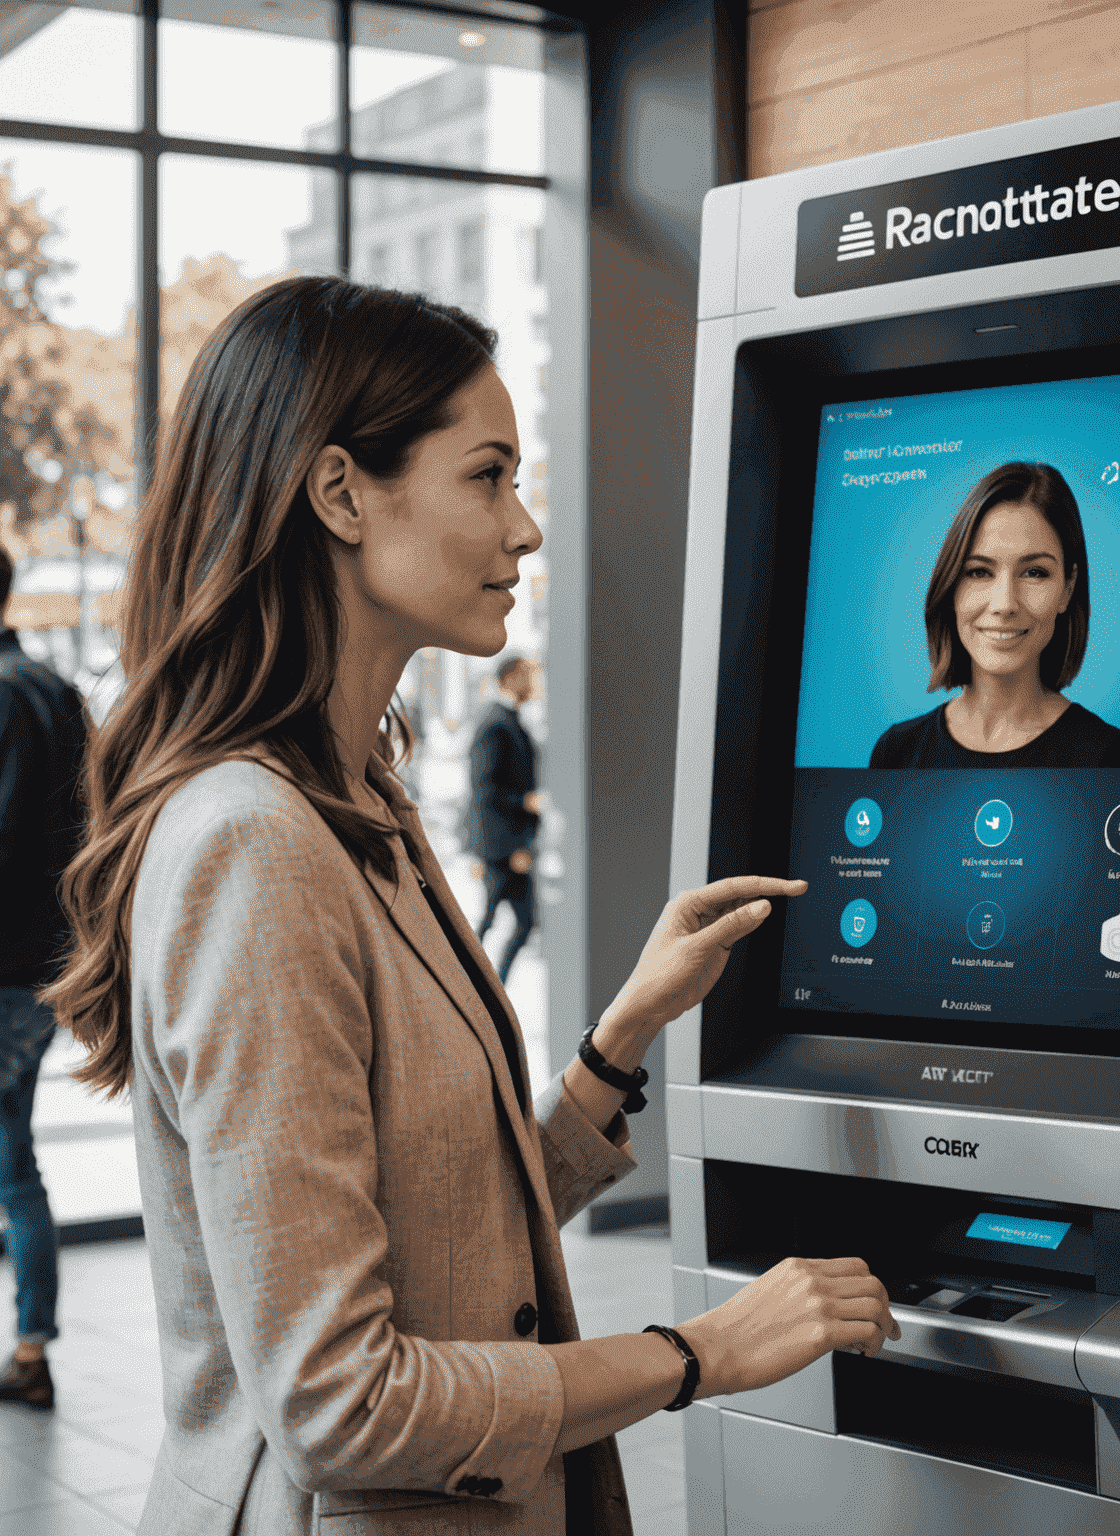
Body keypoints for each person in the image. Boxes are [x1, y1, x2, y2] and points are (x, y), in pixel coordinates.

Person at [43, 278, 897, 1535]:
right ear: (340, 494)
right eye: (488, 476)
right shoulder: (254, 845)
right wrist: (700, 1350)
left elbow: (445, 1237)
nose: (527, 526)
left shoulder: (358, 796)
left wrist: (623, 1036)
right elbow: (341, 1403)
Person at [869, 461, 1120, 769]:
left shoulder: (1106, 755)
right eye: (979, 572)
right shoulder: (897, 751)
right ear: (952, 586)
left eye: (1035, 572)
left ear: (1067, 588)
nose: (1004, 604)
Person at [0, 548, 89, 1412]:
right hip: (43, 975)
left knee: (12, 1166)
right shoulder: (53, 688)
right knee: (14, 1164)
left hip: (0, 974)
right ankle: (31, 1347)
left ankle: (32, 1350)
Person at [467, 654, 542, 982]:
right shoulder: (495, 723)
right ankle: (474, 989)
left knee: (518, 923)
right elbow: (485, 790)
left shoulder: (508, 719)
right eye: (527, 673)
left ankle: (489, 990)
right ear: (510, 677)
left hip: (509, 845)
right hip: (502, 847)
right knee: (488, 922)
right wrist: (524, 805)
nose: (533, 680)